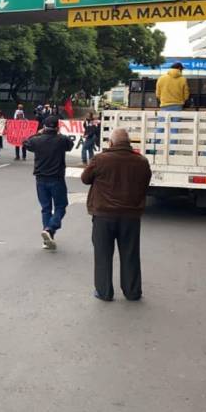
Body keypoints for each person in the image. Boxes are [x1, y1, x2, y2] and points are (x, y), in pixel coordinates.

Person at [81, 128, 152, 302]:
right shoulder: (141, 161)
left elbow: (85, 178)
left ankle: (104, 292)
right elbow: (146, 182)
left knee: (103, 254)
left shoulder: (100, 159)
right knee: (130, 254)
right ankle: (132, 291)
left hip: (103, 214)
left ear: (111, 143)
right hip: (130, 215)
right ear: (129, 143)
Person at [23, 116, 76, 250]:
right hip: (56, 178)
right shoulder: (61, 140)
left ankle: (48, 236)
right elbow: (71, 144)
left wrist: (38, 133)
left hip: (41, 178)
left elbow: (26, 142)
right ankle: (50, 229)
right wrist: (59, 133)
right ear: (57, 127)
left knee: (46, 208)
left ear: (44, 126)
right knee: (61, 206)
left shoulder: (37, 140)